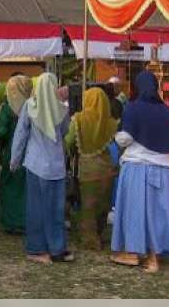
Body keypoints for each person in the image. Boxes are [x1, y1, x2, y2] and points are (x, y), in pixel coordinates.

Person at [111, 71, 169, 273]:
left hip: (137, 166)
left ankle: (133, 253)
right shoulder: (168, 111)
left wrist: (116, 135)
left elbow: (126, 138)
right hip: (164, 170)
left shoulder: (133, 108)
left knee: (136, 212)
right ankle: (154, 258)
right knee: (158, 215)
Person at [10, 72, 73, 264]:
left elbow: (20, 135)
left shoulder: (30, 106)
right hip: (56, 165)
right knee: (56, 209)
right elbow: (64, 132)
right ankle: (56, 248)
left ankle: (37, 249)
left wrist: (15, 160)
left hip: (35, 165)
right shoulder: (62, 110)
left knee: (37, 209)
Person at [64, 87, 118, 250]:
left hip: (87, 168)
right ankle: (99, 233)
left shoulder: (78, 120)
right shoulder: (110, 122)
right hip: (107, 168)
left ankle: (90, 239)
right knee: (103, 205)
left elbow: (68, 142)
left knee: (88, 206)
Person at [0, 75, 31, 234]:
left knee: (10, 186)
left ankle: (12, 221)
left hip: (11, 151)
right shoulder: (33, 106)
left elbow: (1, 132)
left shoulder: (8, 108)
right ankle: (27, 219)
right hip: (31, 152)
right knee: (27, 187)